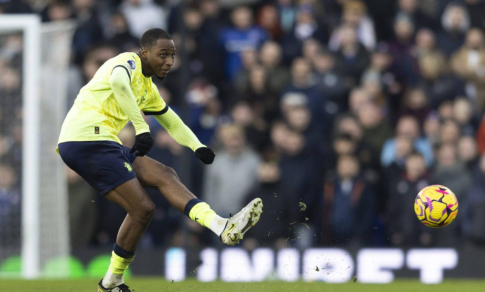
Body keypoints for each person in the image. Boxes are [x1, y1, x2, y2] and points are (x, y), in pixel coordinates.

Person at [56, 28, 263, 292]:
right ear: (144, 52)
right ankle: (111, 282)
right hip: (85, 140)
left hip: (104, 142)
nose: (169, 61)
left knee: (165, 174)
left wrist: (197, 146)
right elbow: (119, 84)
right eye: (163, 54)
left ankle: (221, 225)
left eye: (172, 56)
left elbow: (172, 121)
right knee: (143, 209)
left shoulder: (148, 89)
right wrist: (141, 127)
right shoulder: (126, 62)